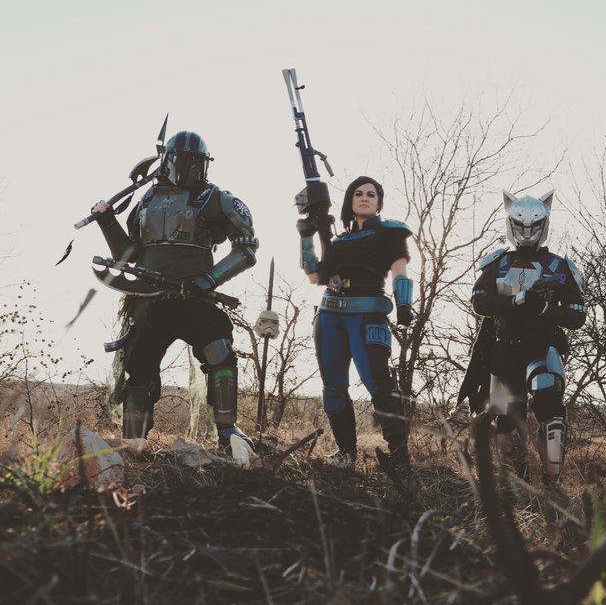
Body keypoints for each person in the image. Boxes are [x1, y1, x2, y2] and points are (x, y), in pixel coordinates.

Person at [92, 130, 258, 450]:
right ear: (167, 160)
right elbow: (128, 255)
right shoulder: (146, 202)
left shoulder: (216, 198)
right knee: (138, 367)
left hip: (195, 298)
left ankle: (227, 432)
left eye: (194, 161)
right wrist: (107, 221)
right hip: (150, 301)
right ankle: (134, 442)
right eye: (182, 159)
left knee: (220, 352)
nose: (187, 167)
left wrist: (209, 280)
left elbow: (246, 248)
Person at [459, 190, 586, 482]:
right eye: (521, 226)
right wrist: (515, 301)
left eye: (534, 226)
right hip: (504, 349)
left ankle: (552, 485)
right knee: (505, 423)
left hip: (542, 347)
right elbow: (479, 301)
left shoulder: (559, 266)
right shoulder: (497, 263)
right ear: (511, 224)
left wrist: (545, 308)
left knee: (551, 411)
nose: (527, 232)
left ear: (544, 224)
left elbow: (578, 315)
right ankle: (515, 487)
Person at [297, 175, 415, 469]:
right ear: (350, 201)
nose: (364, 198)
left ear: (378, 202)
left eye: (371, 194)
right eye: (358, 193)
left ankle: (399, 455)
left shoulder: (390, 232)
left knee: (380, 383)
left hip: (367, 314)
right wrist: (306, 237)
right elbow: (314, 276)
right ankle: (345, 452)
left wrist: (404, 304)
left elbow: (400, 270)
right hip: (329, 315)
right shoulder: (337, 240)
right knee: (333, 387)